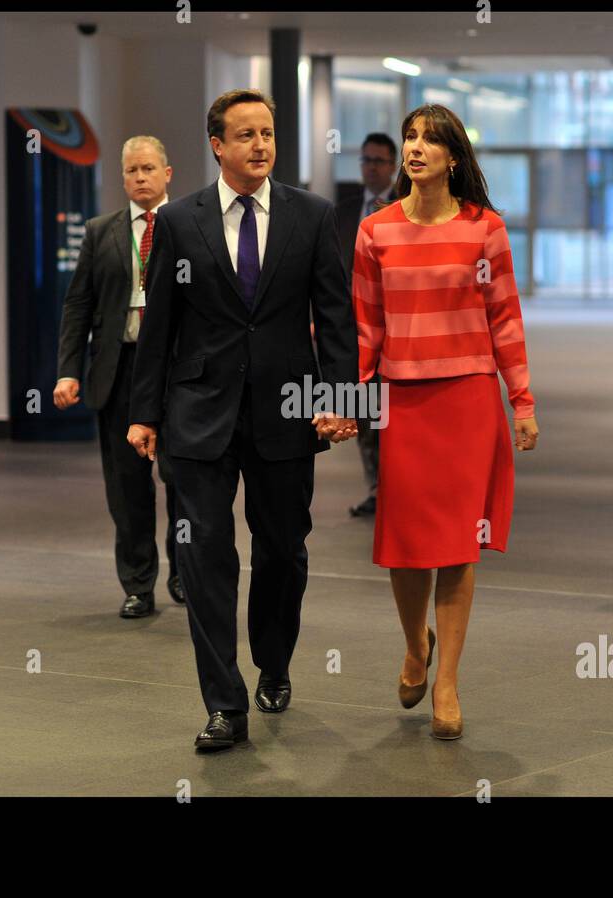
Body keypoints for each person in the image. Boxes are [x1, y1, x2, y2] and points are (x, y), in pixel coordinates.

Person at [127, 89, 358, 752]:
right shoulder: (179, 223)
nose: (261, 145)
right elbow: (160, 329)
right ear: (218, 146)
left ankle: (275, 660)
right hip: (198, 414)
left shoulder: (311, 217)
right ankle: (224, 704)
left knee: (283, 550)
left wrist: (340, 397)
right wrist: (144, 414)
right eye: (247, 134)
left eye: (269, 132)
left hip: (287, 411)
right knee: (203, 557)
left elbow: (336, 317)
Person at [352, 103, 539, 741]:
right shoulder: (374, 230)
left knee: (460, 545)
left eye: (429, 140)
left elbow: (505, 318)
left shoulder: (485, 228)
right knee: (408, 548)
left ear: (453, 156)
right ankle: (414, 645)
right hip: (404, 402)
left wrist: (522, 402)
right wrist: (352, 402)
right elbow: (365, 327)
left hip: (467, 398)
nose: (415, 148)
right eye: (409, 137)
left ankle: (450, 682)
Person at [54, 135, 184, 619]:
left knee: (182, 479)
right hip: (118, 371)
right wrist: (68, 371)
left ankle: (183, 570)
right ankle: (137, 583)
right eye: (131, 171)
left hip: (175, 375)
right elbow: (78, 305)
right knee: (127, 488)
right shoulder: (99, 231)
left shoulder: (188, 226)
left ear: (167, 174)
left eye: (148, 169)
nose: (139, 178)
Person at [336, 133, 399, 518]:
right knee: (363, 414)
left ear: (393, 166)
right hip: (351, 332)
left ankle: (399, 488)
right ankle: (377, 488)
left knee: (392, 415)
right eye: (366, 160)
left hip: (394, 332)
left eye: (378, 161)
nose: (371, 167)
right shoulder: (343, 212)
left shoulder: (406, 209)